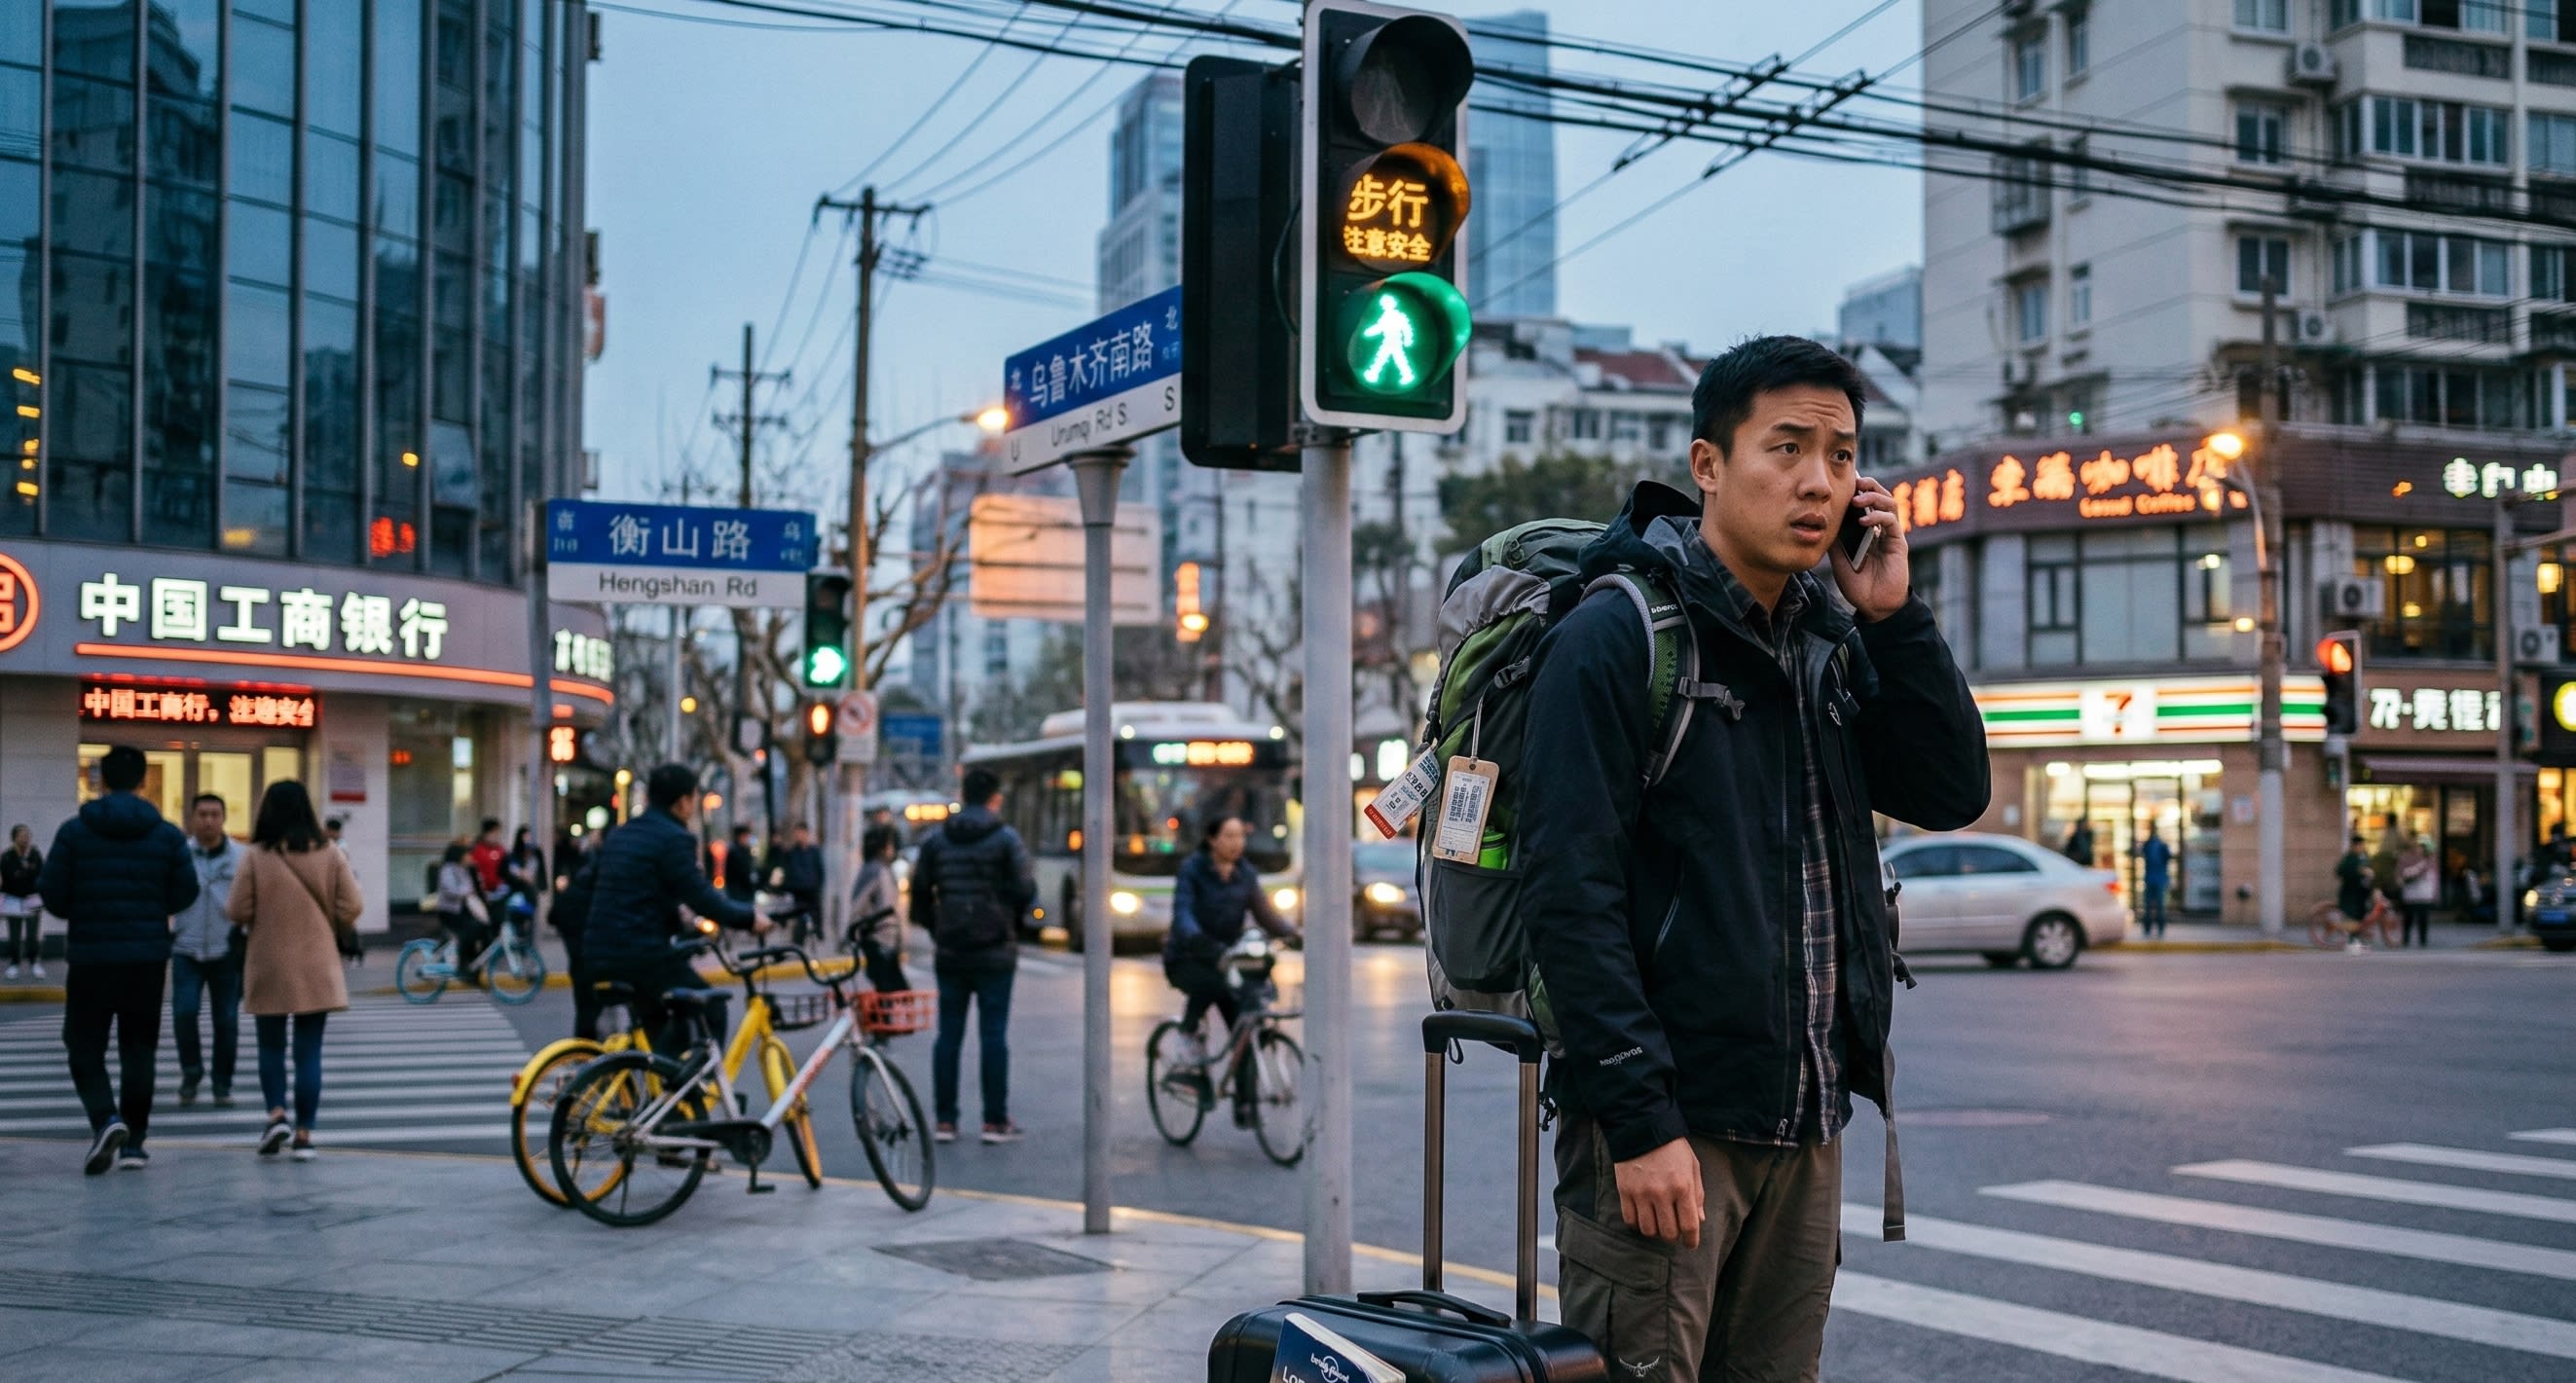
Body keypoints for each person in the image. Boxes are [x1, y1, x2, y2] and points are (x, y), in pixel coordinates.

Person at [1517, 337, 1988, 1382]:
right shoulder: (1619, 636)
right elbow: (1568, 890)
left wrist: (1896, 618)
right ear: (1708, 465)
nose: (1819, 479)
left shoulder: (1829, 639)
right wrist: (1639, 1119)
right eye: (1786, 447)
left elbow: (1951, 790)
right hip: (1669, 1130)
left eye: (1841, 452)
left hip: (1806, 1118)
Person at [38, 745, 201, 1174]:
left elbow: (52, 893)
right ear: (143, 781)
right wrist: (152, 908)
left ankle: (106, 1118)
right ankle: (135, 1144)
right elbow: (186, 892)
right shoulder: (165, 834)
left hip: (91, 956)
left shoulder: (74, 831)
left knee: (83, 1044)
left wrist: (86, 908)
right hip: (147, 957)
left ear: (104, 780)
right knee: (139, 1049)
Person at [582, 764, 765, 1053]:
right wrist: (749, 918)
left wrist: (675, 918)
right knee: (712, 1006)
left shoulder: (622, 833)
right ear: (682, 802)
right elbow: (702, 897)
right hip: (640, 955)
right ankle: (698, 1090)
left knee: (664, 1021)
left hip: (597, 953)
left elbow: (625, 890)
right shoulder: (675, 838)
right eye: (694, 798)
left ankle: (667, 1091)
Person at [227, 781, 362, 1160]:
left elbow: (237, 910)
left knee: (270, 1046)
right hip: (316, 963)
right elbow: (352, 905)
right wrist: (328, 925)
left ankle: (276, 1115)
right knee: (309, 1051)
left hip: (268, 962)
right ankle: (305, 1134)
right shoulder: (330, 852)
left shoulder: (255, 855)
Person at [910, 767, 1035, 1146]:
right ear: (995, 797)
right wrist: (1005, 918)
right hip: (995, 950)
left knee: (948, 1036)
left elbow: (919, 897)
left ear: (962, 794)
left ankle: (945, 1121)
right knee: (993, 1035)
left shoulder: (936, 840)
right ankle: (994, 1121)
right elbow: (1026, 890)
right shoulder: (1006, 839)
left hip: (951, 951)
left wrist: (939, 927)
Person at [1162, 815, 1300, 1124]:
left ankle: (1245, 1104)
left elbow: (1265, 914)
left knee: (1246, 1021)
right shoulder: (1192, 871)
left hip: (1229, 959)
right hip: (1189, 955)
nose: (1237, 843)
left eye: (1241, 836)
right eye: (1229, 836)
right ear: (1212, 839)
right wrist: (1196, 938)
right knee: (1210, 983)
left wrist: (1292, 933)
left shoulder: (1245, 873)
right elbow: (1182, 915)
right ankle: (1187, 1033)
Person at [169, 793, 246, 1108]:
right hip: (185, 949)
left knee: (226, 1020)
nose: (208, 820)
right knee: (184, 1012)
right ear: (192, 818)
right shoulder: (179, 854)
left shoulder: (242, 857)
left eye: (215, 814)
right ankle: (191, 1071)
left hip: (227, 950)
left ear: (224, 818)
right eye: (202, 814)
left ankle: (222, 1082)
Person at [551, 826, 608, 1039]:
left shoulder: (578, 885)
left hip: (578, 958)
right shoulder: (598, 890)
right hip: (594, 958)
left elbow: (553, 916)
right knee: (594, 1012)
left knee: (585, 1009)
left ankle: (584, 1052)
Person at [849, 824, 911, 994]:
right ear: (881, 848)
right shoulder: (873, 871)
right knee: (892, 995)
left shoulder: (883, 869)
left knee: (895, 996)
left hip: (887, 943)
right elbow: (857, 907)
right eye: (889, 844)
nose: (892, 849)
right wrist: (865, 929)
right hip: (878, 942)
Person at [431, 843, 486, 978]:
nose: (469, 857)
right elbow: (451, 889)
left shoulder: (463, 869)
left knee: (479, 928)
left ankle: (471, 966)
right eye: (467, 854)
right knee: (467, 930)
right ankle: (462, 965)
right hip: (448, 910)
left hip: (461, 909)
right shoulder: (448, 869)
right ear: (459, 856)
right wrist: (466, 892)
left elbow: (472, 889)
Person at [764, 821, 826, 934]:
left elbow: (820, 871)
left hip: (811, 890)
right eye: (797, 833)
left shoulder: (814, 851)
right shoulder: (791, 853)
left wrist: (818, 886)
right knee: (800, 917)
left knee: (815, 914)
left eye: (802, 833)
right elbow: (780, 865)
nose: (799, 836)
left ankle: (816, 931)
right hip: (798, 891)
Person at [2, 823, 44, 979]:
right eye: (22, 836)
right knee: (14, 934)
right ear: (14, 838)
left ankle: (34, 962)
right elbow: (6, 877)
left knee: (32, 933)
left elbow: (41, 874)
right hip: (13, 900)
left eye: (27, 835)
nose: (26, 839)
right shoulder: (7, 856)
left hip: (32, 899)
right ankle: (14, 963)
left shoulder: (35, 854)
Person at [2336, 833, 2376, 952]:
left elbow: (2369, 870)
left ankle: (2357, 941)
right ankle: (2351, 942)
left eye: (2362, 845)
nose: (2361, 847)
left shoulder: (2364, 857)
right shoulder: (2350, 858)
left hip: (2362, 894)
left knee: (2361, 917)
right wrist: (2359, 871)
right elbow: (2340, 871)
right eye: (2359, 845)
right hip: (2351, 894)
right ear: (2354, 846)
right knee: (2353, 918)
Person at [2132, 822, 2173, 940]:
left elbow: (2139, 853)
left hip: (2152, 879)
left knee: (2150, 906)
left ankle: (2149, 929)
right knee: (2158, 906)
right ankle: (2157, 929)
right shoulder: (2159, 845)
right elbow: (2169, 857)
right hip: (2157, 879)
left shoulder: (2150, 845)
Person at [2398, 836, 2439, 948]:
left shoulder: (2430, 860)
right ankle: (2406, 938)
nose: (2419, 849)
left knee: (2423, 917)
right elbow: (2401, 874)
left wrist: (2435, 894)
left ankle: (2423, 939)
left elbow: (2434, 878)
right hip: (2410, 893)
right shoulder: (2405, 858)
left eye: (2421, 847)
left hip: (2424, 893)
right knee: (2408, 917)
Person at [717, 824, 759, 907]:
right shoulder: (735, 852)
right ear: (741, 836)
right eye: (747, 836)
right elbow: (743, 872)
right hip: (739, 893)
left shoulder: (743, 850)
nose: (748, 839)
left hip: (743, 892)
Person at [503, 826, 546, 904]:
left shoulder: (536, 852)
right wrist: (521, 874)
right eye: (525, 836)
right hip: (518, 889)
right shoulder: (515, 854)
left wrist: (542, 886)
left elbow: (541, 871)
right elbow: (511, 869)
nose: (527, 839)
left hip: (531, 889)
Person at [467, 818, 506, 901]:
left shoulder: (501, 849)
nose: (497, 836)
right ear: (486, 833)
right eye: (494, 833)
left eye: (498, 833)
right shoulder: (476, 849)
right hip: (480, 893)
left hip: (498, 892)